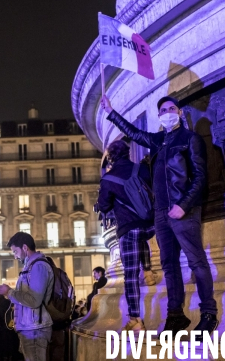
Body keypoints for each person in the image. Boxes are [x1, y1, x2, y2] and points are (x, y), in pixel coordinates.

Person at [101, 95, 218, 335]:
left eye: (171, 108)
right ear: (159, 116)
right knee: (169, 265)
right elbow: (133, 133)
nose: (167, 112)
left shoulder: (191, 140)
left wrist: (184, 205)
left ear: (180, 112)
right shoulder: (158, 141)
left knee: (196, 261)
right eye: (163, 110)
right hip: (161, 214)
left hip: (183, 211)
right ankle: (175, 317)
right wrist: (111, 112)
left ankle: (208, 313)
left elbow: (200, 177)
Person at [96, 139, 157, 332]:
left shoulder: (108, 179)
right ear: (128, 153)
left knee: (130, 274)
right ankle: (148, 272)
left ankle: (135, 318)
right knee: (141, 236)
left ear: (111, 157)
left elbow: (104, 206)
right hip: (149, 224)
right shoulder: (141, 169)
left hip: (127, 228)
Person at [0, 232, 54, 361]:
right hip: (30, 328)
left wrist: (9, 292)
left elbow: (34, 300)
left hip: (35, 330)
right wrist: (7, 293)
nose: (15, 256)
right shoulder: (30, 267)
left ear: (25, 248)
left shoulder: (38, 266)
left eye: (15, 251)